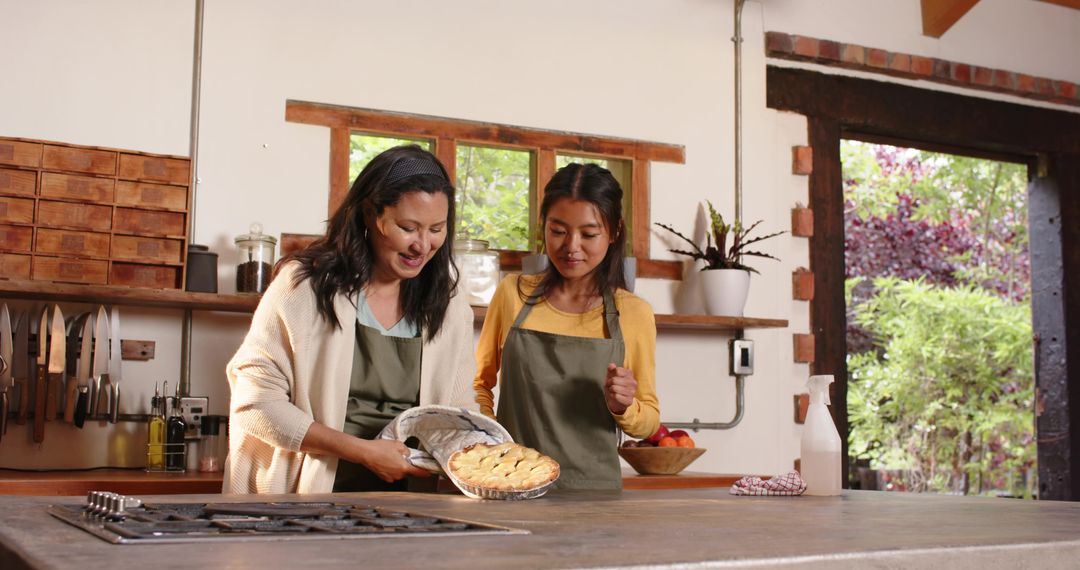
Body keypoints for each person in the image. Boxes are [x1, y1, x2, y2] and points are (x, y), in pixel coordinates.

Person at [224, 144, 477, 494]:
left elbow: (460, 410)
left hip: (413, 503)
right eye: (408, 227)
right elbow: (256, 404)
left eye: (436, 229)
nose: (423, 245)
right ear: (371, 215)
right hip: (307, 494)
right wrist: (363, 452)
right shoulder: (304, 287)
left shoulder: (448, 305)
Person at [474, 163, 660, 490]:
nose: (571, 247)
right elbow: (479, 384)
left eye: (588, 234)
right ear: (543, 226)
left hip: (593, 495)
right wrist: (490, 439)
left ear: (614, 232)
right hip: (511, 485)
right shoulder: (512, 294)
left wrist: (624, 406)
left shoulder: (633, 313)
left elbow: (648, 423)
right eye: (558, 231)